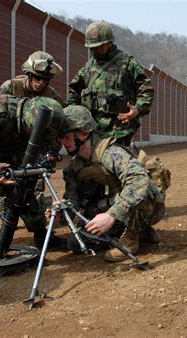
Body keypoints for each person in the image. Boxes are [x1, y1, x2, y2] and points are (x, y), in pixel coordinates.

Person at [59, 105, 165, 262]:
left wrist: (111, 215)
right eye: (60, 137)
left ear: (83, 133)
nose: (63, 143)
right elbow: (73, 200)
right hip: (115, 210)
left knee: (142, 187)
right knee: (75, 243)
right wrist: (62, 212)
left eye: (66, 137)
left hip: (145, 207)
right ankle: (138, 230)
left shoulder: (110, 154)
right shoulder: (72, 169)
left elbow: (138, 179)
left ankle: (131, 238)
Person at [0, 93, 65, 251]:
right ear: (26, 123)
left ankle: (42, 236)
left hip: (6, 142)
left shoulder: (45, 122)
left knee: (24, 187)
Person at [66, 21, 154, 147]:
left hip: (119, 130)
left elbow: (146, 89)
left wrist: (138, 109)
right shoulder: (88, 68)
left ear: (109, 42)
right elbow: (74, 93)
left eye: (100, 46)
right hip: (92, 130)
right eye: (93, 47)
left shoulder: (127, 63)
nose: (96, 50)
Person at [0, 51, 64, 106]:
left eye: (45, 79)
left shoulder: (50, 94)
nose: (41, 82)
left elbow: (65, 112)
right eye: (37, 77)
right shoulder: (11, 87)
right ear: (29, 75)